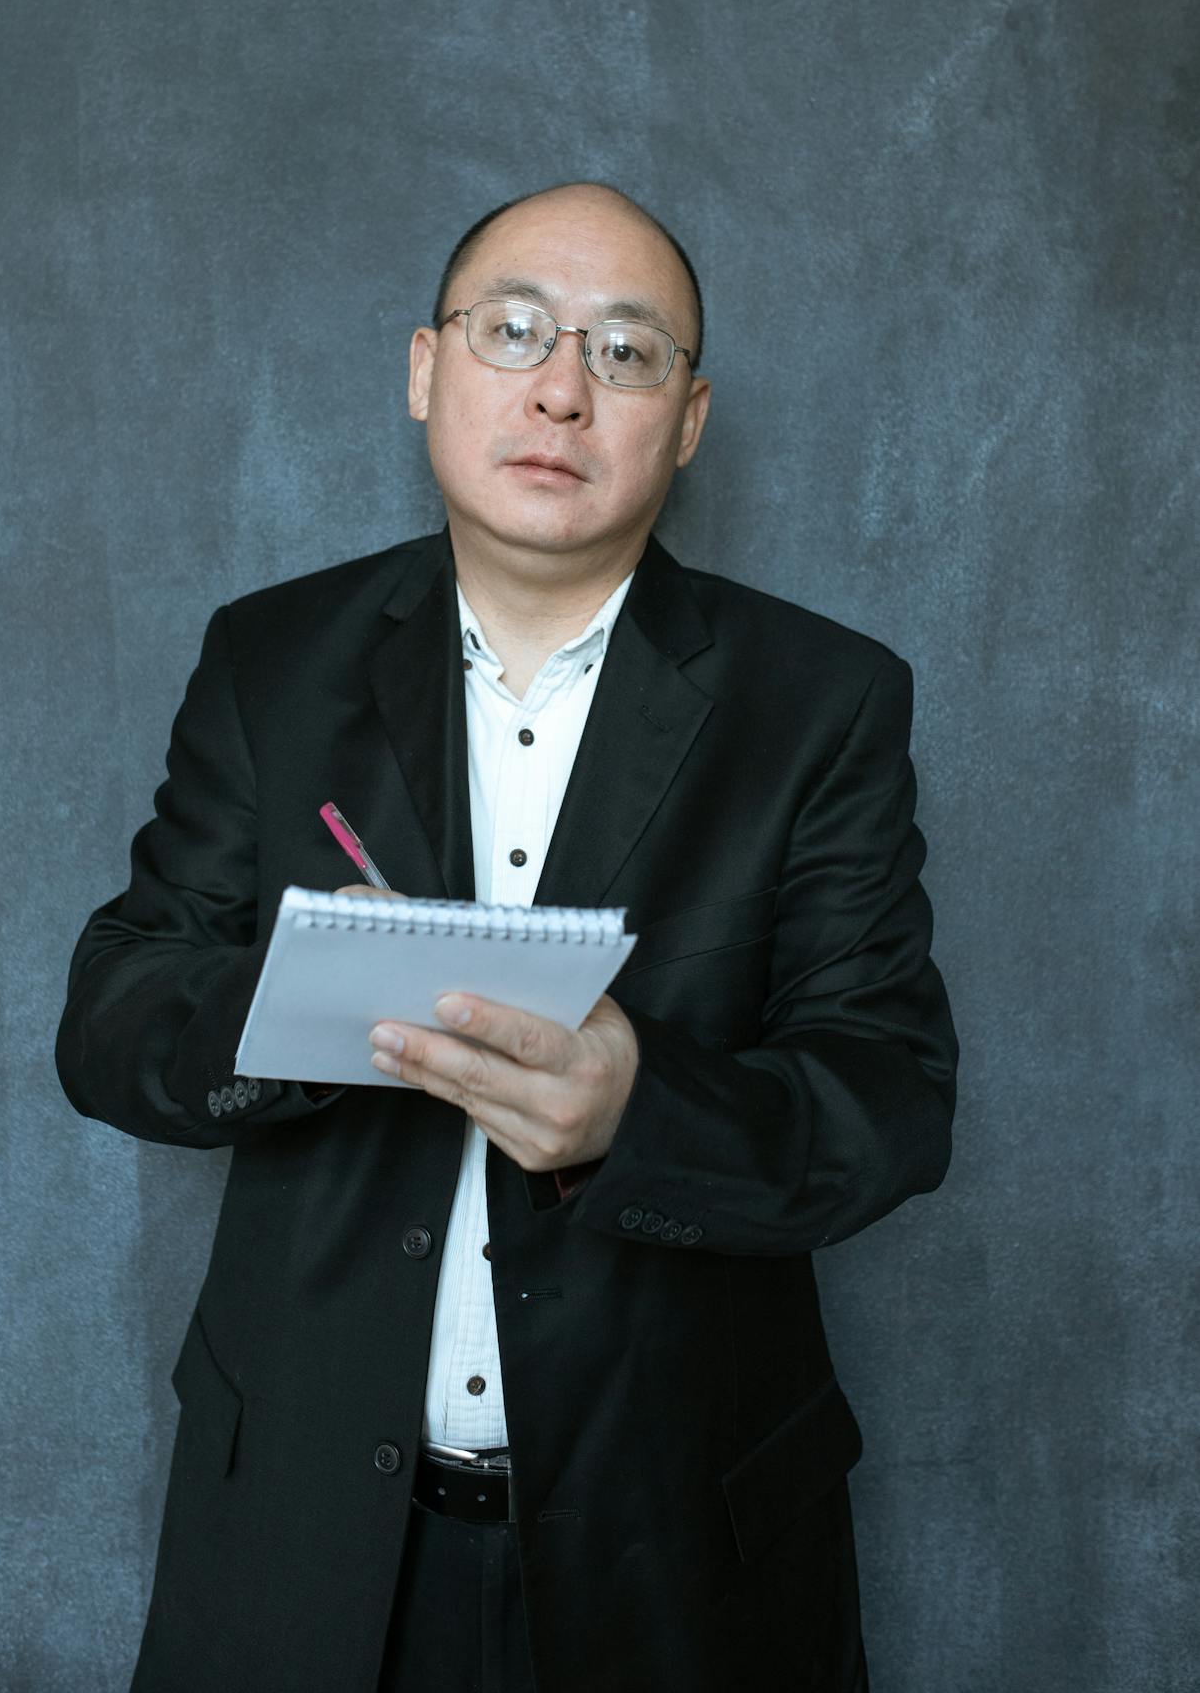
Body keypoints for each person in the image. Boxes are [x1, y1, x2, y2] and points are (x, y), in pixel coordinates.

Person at [56, 180, 957, 1693]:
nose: (558, 387)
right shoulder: (270, 659)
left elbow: (889, 1104)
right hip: (302, 1535)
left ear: (687, 417)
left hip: (676, 1550)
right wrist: (301, 1001)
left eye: (623, 352)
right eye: (514, 331)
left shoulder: (823, 700)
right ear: (425, 371)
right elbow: (112, 1021)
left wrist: (633, 1108)